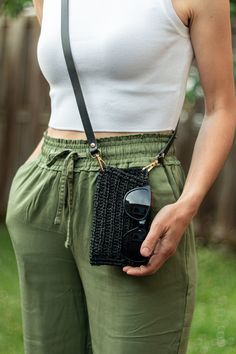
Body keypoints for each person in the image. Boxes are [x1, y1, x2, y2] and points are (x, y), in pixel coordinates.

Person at [5, 0, 236, 353]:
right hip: (44, 186)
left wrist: (188, 203)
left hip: (136, 187)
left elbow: (221, 108)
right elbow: (67, 95)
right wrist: (28, 179)